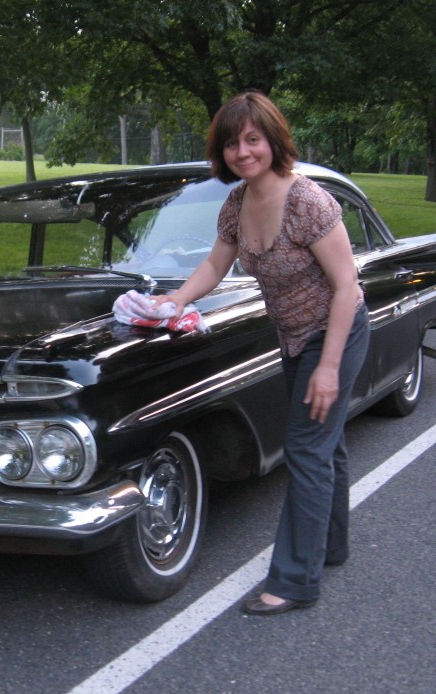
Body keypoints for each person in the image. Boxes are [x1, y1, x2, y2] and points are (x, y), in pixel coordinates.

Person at [152, 90, 370, 616]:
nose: (242, 151)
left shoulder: (307, 202)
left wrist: (329, 368)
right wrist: (174, 299)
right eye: (231, 143)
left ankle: (295, 581)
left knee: (306, 451)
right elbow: (215, 265)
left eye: (252, 139)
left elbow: (348, 287)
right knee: (325, 447)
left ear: (273, 140)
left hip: (336, 333)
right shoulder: (237, 203)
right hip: (293, 336)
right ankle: (329, 547)